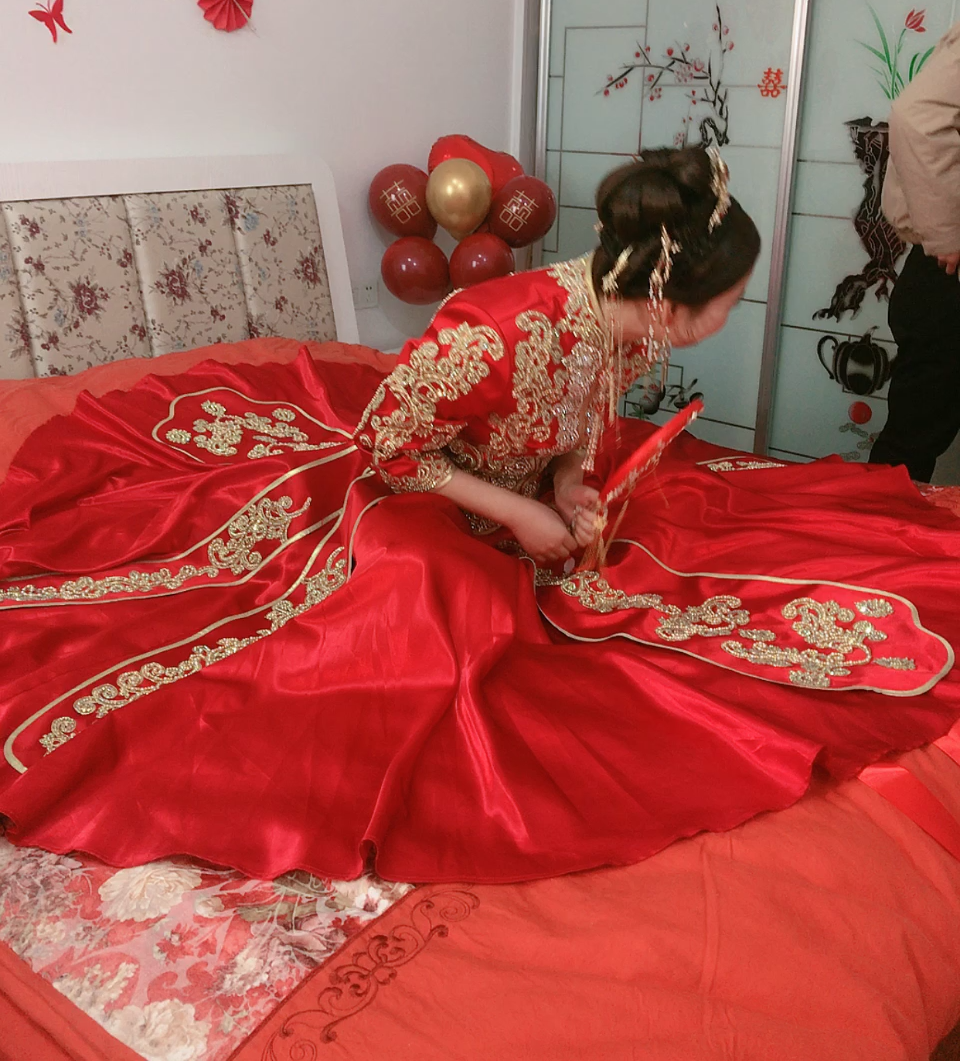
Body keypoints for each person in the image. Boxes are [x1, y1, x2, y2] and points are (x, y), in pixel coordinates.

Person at [0, 148, 958, 886]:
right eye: (729, 301)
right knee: (440, 606)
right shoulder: (495, 331)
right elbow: (385, 445)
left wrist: (570, 483)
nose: (733, 313)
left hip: (510, 483)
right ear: (672, 298)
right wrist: (513, 509)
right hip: (409, 491)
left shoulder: (629, 318)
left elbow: (585, 414)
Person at [871, 21, 960, 482]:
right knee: (909, 447)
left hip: (942, 273)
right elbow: (918, 119)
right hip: (948, 271)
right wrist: (951, 234)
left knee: (911, 439)